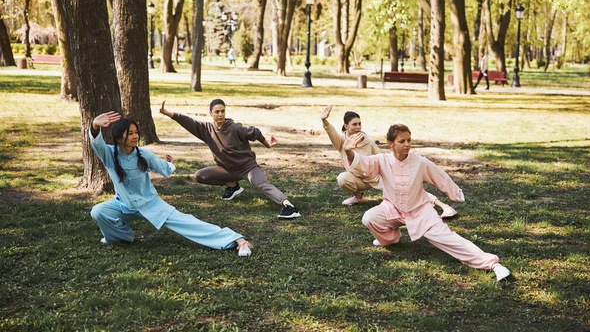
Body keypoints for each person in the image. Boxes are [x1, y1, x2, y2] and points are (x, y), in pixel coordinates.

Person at [342, 124, 511, 281]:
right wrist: (350, 152)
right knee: (369, 218)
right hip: (392, 207)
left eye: (409, 140)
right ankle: (390, 239)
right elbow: (363, 164)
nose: (407, 144)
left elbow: (440, 176)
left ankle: (493, 264)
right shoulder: (382, 160)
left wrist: (455, 194)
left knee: (448, 238)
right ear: (391, 144)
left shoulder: (419, 162)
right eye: (402, 141)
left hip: (420, 211)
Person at [89, 111, 253, 256]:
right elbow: (97, 143)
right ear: (118, 137)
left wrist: (170, 164)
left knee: (187, 222)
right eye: (129, 133)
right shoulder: (109, 154)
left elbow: (164, 169)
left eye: (136, 132)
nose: (135, 136)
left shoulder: (144, 154)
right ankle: (122, 237)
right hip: (123, 205)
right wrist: (95, 125)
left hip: (151, 204)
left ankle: (236, 239)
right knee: (99, 211)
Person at [160, 99, 301, 219]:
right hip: (227, 170)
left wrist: (267, 145)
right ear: (210, 113)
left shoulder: (235, 128)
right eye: (217, 112)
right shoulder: (206, 130)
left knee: (262, 184)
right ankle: (233, 186)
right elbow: (187, 121)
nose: (220, 114)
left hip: (247, 168)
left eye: (222, 111)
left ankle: (289, 207)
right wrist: (168, 113)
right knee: (200, 176)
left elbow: (255, 132)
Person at [321, 105, 458, 218]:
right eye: (354, 124)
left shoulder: (366, 140)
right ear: (346, 126)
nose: (358, 127)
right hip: (358, 178)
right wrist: (325, 121)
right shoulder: (342, 141)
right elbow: (332, 134)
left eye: (360, 124)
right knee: (342, 178)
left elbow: (381, 157)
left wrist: (394, 172)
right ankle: (358, 197)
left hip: (376, 176)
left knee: (406, 190)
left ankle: (444, 206)